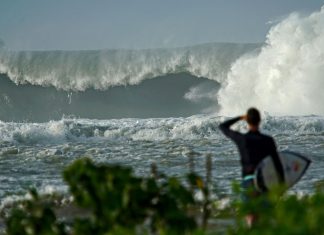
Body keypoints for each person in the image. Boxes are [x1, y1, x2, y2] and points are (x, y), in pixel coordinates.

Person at [219, 107, 284, 226]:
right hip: (264, 183)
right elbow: (277, 165)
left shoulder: (242, 139)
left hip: (248, 182)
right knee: (265, 216)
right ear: (259, 121)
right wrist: (281, 185)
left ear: (247, 121)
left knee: (251, 216)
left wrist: (240, 117)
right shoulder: (268, 140)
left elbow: (223, 127)